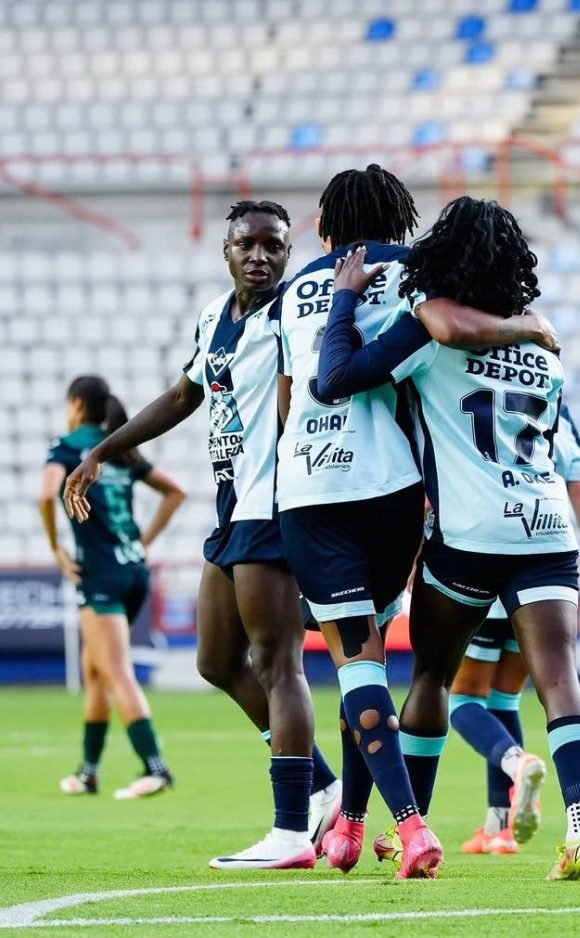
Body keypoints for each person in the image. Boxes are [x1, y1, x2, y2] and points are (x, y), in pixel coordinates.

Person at [272, 165, 557, 879]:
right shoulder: (416, 276)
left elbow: (288, 400)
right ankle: (352, 826)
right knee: (369, 659)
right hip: (397, 491)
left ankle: (408, 824)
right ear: (400, 221)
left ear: (326, 225)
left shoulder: (292, 292)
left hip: (312, 482)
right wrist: (531, 326)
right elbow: (455, 338)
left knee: (355, 661)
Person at [316, 195, 580, 881]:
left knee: (433, 678)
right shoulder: (543, 347)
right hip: (544, 530)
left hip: (468, 535)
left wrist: (343, 304)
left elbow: (341, 380)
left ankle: (408, 829)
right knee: (559, 679)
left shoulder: (428, 334)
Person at [63, 202, 339, 870]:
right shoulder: (215, 316)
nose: (261, 256)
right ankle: (324, 786)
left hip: (274, 502)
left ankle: (291, 830)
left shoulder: (292, 317)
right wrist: (104, 449)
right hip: (230, 508)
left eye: (274, 245)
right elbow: (185, 396)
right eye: (248, 244)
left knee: (278, 664)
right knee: (217, 660)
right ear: (227, 249)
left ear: (287, 252)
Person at [449, 403, 580, 856]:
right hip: (546, 563)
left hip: (488, 555)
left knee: (463, 699)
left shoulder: (477, 403)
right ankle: (499, 826)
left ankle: (516, 763)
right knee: (510, 697)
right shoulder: (557, 418)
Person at [40, 375, 185, 799]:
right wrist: (143, 543)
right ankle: (88, 772)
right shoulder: (118, 450)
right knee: (95, 668)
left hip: (100, 573)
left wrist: (56, 550)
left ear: (78, 405)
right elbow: (175, 492)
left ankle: (155, 767)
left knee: (115, 669)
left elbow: (47, 495)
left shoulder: (67, 448)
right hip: (135, 570)